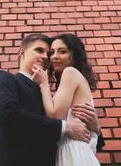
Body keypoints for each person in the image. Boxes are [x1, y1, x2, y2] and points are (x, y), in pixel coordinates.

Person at [0, 34, 104, 166]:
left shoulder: (50, 97)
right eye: (39, 50)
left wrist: (96, 128)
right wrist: (65, 127)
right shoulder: (5, 78)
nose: (45, 57)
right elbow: (9, 114)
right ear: (22, 53)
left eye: (47, 53)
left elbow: (83, 138)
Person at [31, 34, 101, 166]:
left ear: (74, 55)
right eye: (52, 52)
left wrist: (44, 84)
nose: (54, 57)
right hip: (73, 152)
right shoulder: (75, 79)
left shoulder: (70, 72)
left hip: (73, 153)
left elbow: (55, 116)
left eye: (62, 51)